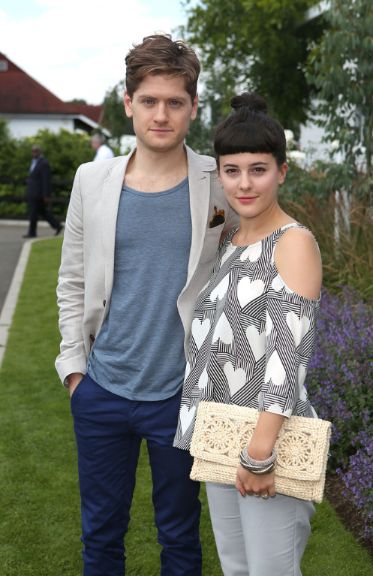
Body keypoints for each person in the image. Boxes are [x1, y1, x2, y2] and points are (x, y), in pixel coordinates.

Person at [55, 34, 238, 576]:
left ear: (193, 108)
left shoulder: (219, 184)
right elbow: (71, 280)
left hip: (180, 396)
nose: (162, 115)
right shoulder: (93, 179)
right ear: (130, 102)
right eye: (151, 101)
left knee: (180, 537)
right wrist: (74, 372)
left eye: (175, 102)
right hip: (102, 390)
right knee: (101, 536)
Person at [174, 93, 323, 576]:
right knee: (237, 569)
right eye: (231, 170)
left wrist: (259, 455)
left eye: (258, 169)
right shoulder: (232, 238)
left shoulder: (293, 243)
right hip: (219, 434)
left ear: (282, 171)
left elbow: (287, 358)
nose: (244, 183)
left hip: (266, 445)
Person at [23, 145, 62, 238]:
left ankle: (32, 233)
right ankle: (57, 225)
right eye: (32, 151)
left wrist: (46, 195)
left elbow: (46, 180)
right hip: (33, 192)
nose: (34, 153)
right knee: (43, 212)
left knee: (33, 213)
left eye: (36, 151)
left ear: (40, 152)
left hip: (38, 194)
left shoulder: (44, 163)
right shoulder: (34, 162)